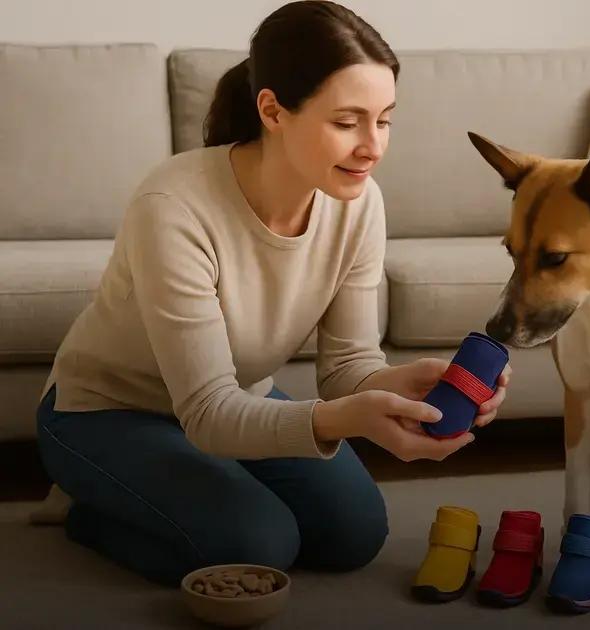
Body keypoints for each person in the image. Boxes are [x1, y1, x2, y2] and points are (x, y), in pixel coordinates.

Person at [34, 0, 510, 587]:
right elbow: (208, 412)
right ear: (273, 111)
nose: (373, 146)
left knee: (353, 533)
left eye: (384, 120)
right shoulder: (174, 207)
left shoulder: (359, 203)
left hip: (232, 402)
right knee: (257, 543)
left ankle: (180, 489)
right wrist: (344, 420)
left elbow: (348, 369)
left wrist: (406, 385)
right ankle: (90, 509)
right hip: (105, 413)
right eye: (347, 122)